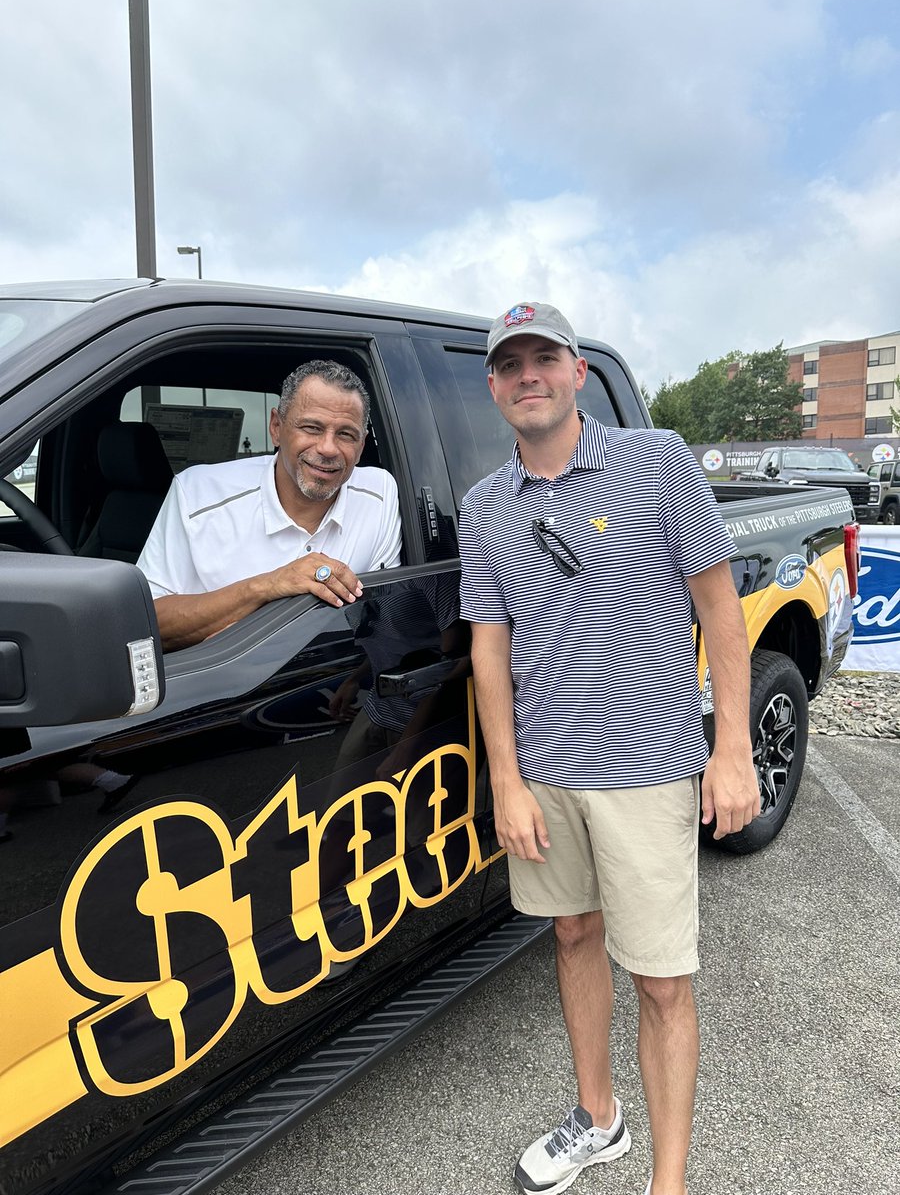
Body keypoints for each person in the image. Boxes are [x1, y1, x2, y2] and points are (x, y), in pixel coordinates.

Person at [457, 303, 759, 1195]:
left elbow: (720, 611)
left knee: (662, 982)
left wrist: (730, 748)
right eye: (509, 365)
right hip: (548, 777)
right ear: (493, 388)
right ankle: (599, 1121)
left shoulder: (656, 460)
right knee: (574, 936)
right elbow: (489, 649)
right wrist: (507, 783)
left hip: (649, 772)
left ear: (577, 370)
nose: (527, 376)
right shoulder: (484, 506)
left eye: (543, 357)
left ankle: (669, 1182)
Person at [137, 360, 401, 652]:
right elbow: (146, 623)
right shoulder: (198, 495)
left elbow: (388, 616)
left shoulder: (381, 494)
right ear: (276, 428)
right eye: (312, 427)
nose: (328, 448)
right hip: (226, 689)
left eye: (345, 434)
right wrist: (269, 585)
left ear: (362, 445)